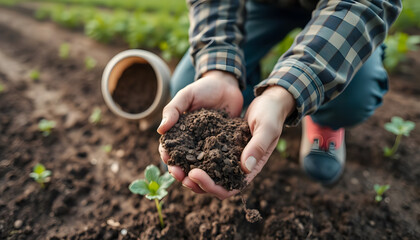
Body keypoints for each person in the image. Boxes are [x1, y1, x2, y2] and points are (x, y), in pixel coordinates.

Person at [157, 0, 401, 200]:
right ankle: (244, 93)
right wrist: (218, 69)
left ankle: (324, 117)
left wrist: (283, 94)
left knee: (355, 97)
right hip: (262, 5)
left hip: (346, 11)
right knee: (189, 83)